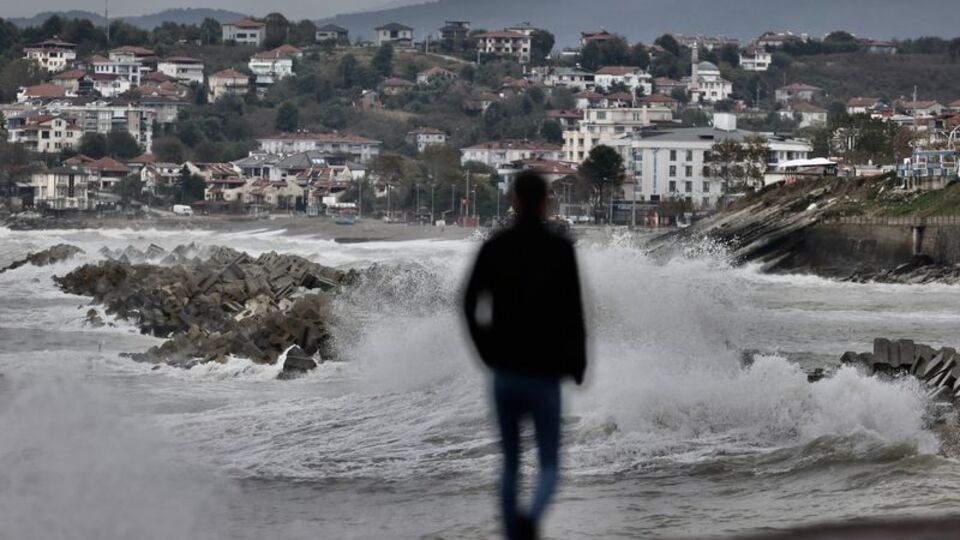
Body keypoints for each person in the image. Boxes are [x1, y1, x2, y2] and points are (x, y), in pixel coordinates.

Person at [463, 171, 587, 540]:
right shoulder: (560, 248)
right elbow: (573, 311)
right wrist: (578, 361)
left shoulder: (495, 245)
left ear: (513, 199)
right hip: (546, 372)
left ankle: (513, 536)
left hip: (506, 371)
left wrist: (485, 350)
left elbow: (469, 303)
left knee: (511, 464)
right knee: (549, 463)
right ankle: (532, 518)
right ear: (546, 200)